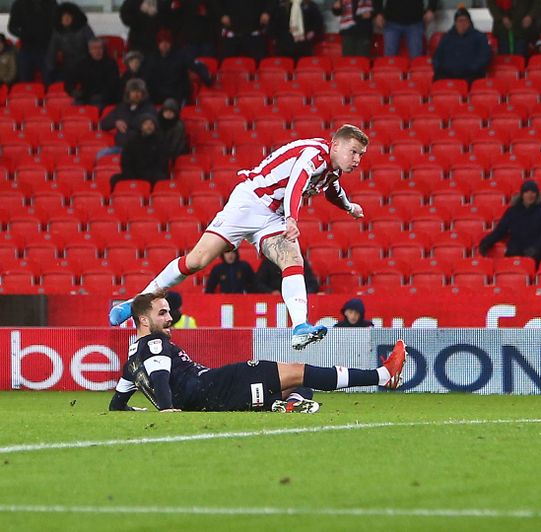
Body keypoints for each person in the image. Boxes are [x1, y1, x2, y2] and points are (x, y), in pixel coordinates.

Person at [107, 125, 370, 352]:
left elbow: (333, 191)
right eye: (353, 151)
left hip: (272, 216)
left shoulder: (331, 170)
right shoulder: (314, 154)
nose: (357, 159)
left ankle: (300, 326)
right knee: (196, 262)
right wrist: (292, 217)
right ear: (335, 145)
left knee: (292, 258)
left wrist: (349, 207)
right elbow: (296, 183)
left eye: (360, 154)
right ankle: (136, 301)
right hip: (250, 202)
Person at [108, 291, 406, 412]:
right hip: (215, 385)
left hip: (213, 398)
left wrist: (134, 409)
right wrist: (166, 410)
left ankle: (285, 405)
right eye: (162, 313)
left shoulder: (131, 362)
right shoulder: (155, 344)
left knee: (299, 384)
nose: (170, 317)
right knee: (298, 371)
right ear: (144, 321)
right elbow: (160, 378)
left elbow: (116, 405)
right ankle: (381, 375)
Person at [478, 180, 541, 262]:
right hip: (515, 252)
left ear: (537, 194)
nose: (530, 195)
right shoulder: (512, 211)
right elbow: (500, 230)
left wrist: (536, 248)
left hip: (537, 254)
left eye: (533, 192)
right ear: (522, 194)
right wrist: (486, 242)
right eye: (527, 192)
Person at [143, 29, 213, 105]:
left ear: (171, 43)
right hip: (157, 96)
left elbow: (198, 66)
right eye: (161, 42)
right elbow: (145, 77)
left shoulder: (181, 55)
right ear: (158, 44)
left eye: (167, 42)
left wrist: (206, 76)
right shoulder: (151, 59)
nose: (164, 44)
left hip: (176, 95)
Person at [432, 7, 492, 84]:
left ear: (469, 22)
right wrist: (440, 68)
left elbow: (484, 57)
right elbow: (437, 57)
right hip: (447, 75)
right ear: (455, 23)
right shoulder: (447, 37)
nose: (462, 24)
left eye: (465, 20)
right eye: (459, 21)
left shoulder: (479, 37)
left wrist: (471, 69)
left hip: (471, 76)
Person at [111, 114, 168, 190]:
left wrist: (149, 174)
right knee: (114, 179)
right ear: (141, 126)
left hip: (151, 174)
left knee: (161, 179)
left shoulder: (160, 141)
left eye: (151, 124)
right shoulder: (132, 142)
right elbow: (125, 161)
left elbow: (162, 163)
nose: (149, 126)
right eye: (146, 124)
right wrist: (131, 176)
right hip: (134, 174)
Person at [100, 78, 157, 154]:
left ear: (143, 93)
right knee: (101, 154)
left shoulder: (149, 109)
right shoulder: (121, 107)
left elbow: (150, 127)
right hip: (120, 147)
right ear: (128, 93)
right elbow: (103, 124)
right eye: (133, 91)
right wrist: (115, 122)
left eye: (139, 91)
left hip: (140, 148)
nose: (136, 94)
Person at [8, 0, 57, 83]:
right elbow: (12, 27)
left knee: (49, 82)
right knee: (25, 84)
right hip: (26, 50)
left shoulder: (51, 2)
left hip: (46, 49)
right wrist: (24, 35)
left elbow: (57, 24)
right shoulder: (19, 3)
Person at [45, 2, 95, 84]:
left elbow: (93, 45)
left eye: (69, 16)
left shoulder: (84, 28)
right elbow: (52, 52)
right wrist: (49, 71)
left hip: (85, 65)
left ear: (74, 17)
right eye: (63, 16)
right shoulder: (57, 32)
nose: (66, 18)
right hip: (67, 67)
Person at [66, 37, 121, 110]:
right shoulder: (82, 64)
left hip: (106, 99)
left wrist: (102, 96)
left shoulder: (111, 64)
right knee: (74, 109)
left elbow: (113, 84)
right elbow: (70, 81)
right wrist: (73, 91)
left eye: (100, 48)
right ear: (89, 50)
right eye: (94, 48)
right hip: (86, 97)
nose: (98, 51)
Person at [254, 256, 319, 294]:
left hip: (296, 301)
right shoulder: (269, 261)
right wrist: (271, 292)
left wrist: (303, 294)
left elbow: (313, 284)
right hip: (273, 301)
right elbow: (258, 284)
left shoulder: (299, 261)